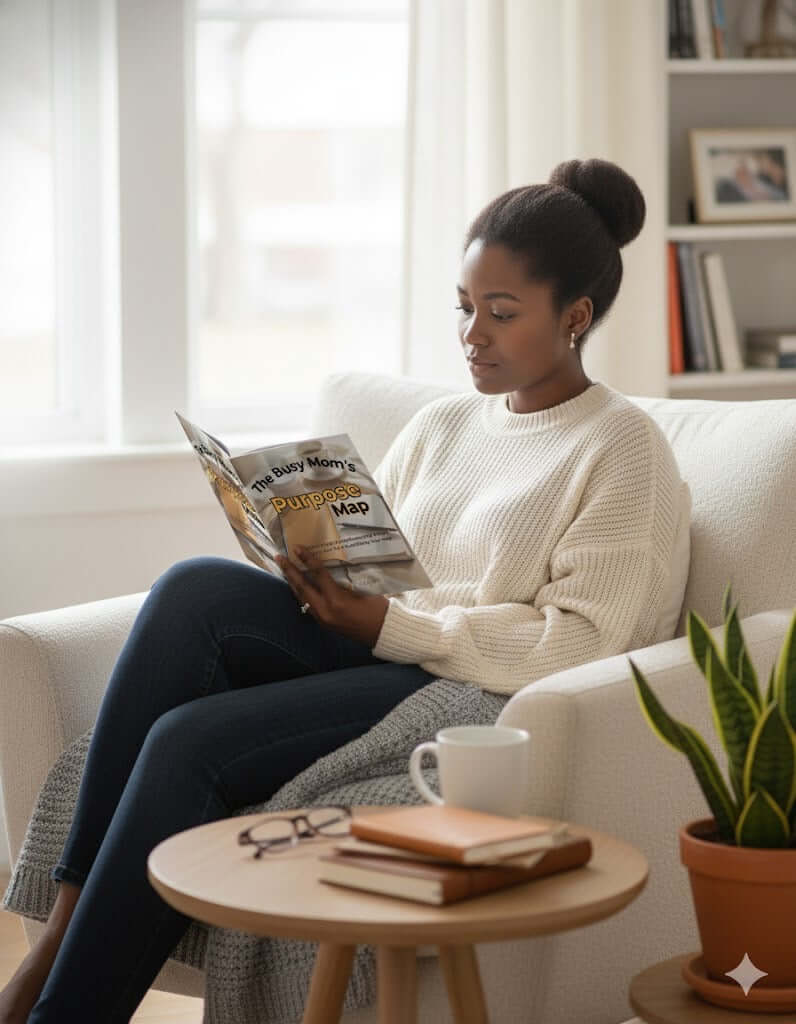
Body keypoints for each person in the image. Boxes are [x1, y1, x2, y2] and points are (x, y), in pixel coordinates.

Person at [0, 156, 690, 1023]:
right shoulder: (444, 421)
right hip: (382, 638)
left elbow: (582, 641)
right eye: (465, 308)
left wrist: (392, 625)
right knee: (192, 592)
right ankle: (58, 940)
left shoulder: (622, 448)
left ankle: (64, 1009)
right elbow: (383, 563)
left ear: (576, 317)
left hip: (459, 686)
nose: (473, 334)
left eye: (502, 314)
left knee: (186, 741)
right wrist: (309, 563)